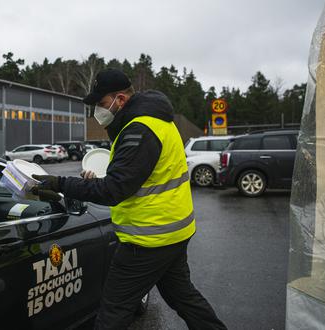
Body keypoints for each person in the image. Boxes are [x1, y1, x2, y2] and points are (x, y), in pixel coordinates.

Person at [31, 69, 227, 330]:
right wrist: (95, 181)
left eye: (100, 104)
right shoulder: (156, 122)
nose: (97, 112)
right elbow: (136, 176)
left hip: (147, 239)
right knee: (183, 297)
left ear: (120, 100)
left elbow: (115, 190)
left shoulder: (139, 129)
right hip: (173, 231)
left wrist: (60, 184)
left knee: (113, 312)